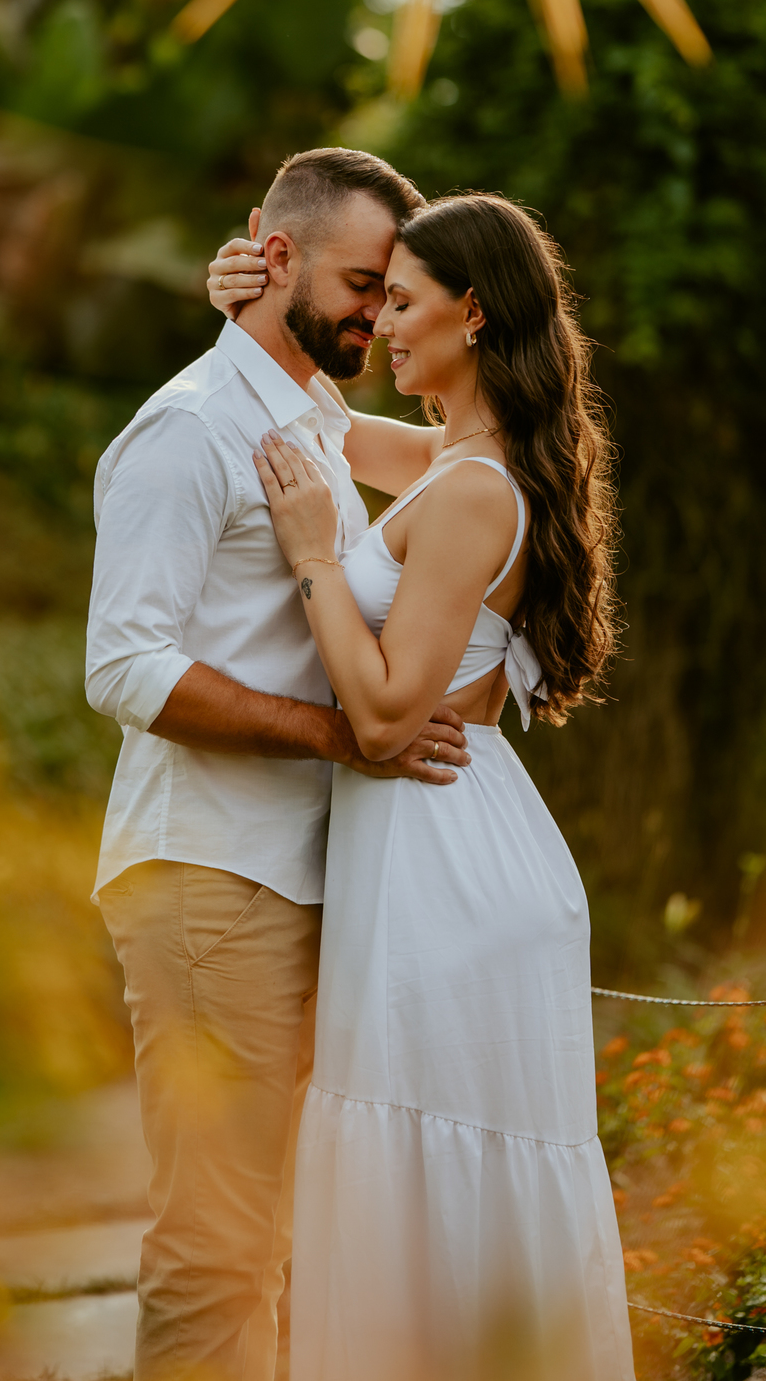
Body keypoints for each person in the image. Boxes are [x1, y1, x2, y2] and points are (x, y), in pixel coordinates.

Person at [213, 191, 634, 1378]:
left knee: (429, 1160)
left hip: (444, 860)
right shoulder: (460, 461)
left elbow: (390, 712)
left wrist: (311, 561)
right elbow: (320, 425)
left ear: (475, 311)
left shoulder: (471, 492)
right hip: (445, 844)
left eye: (401, 302)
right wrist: (245, 304)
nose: (381, 327)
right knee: (426, 1164)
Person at [84, 148, 474, 1381]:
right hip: (212, 878)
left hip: (304, 878)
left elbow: (477, 464)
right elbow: (125, 669)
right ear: (278, 250)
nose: (378, 310)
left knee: (292, 1239)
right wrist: (345, 735)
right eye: (365, 281)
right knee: (218, 1245)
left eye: (394, 290)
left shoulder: (308, 417)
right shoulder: (190, 430)